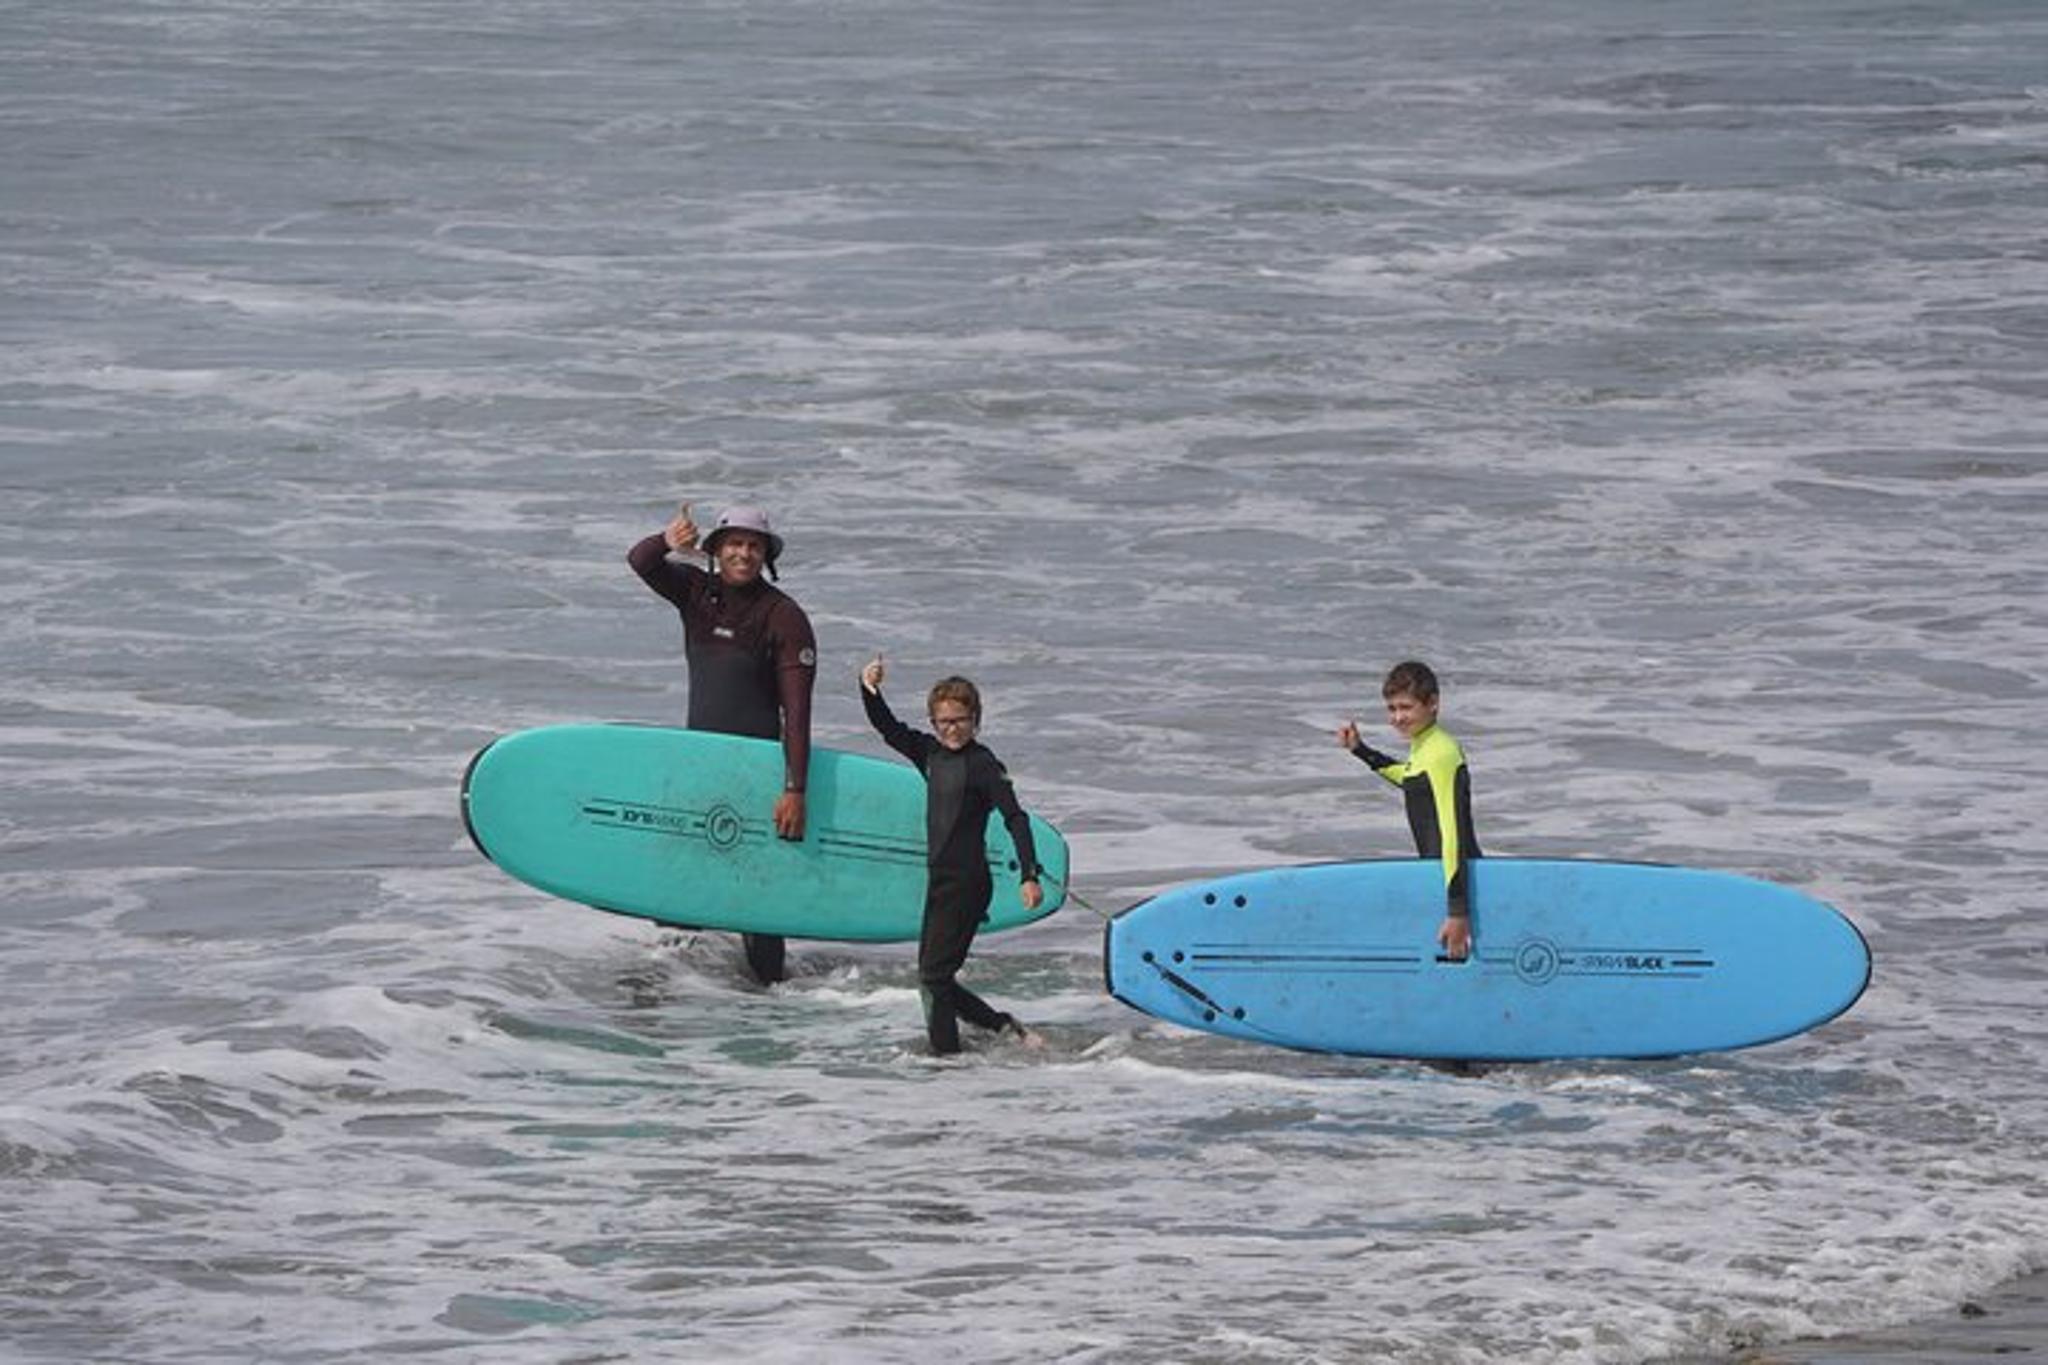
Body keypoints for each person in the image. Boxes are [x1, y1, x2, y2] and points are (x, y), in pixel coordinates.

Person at [629, 502, 816, 984]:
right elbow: (641, 560)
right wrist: (668, 540)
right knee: (681, 885)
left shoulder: (784, 617)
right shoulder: (696, 593)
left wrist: (794, 788)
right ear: (715, 550)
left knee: (756, 893)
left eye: (754, 546)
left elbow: (797, 714)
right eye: (734, 543)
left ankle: (771, 996)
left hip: (757, 773)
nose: (743, 554)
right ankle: (674, 993)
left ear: (766, 555)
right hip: (701, 768)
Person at [859, 656, 1043, 1056]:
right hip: (940, 882)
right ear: (933, 722)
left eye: (959, 720)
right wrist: (869, 688)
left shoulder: (984, 765)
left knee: (934, 977)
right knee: (933, 976)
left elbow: (1016, 818)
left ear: (975, 720)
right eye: (943, 722)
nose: (951, 729)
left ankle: (946, 1060)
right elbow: (888, 729)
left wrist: (1029, 874)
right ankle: (1000, 1027)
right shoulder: (929, 754)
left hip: (968, 884)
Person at [1337, 660, 1482, 962]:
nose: (1397, 717)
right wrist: (1361, 750)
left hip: (1460, 884)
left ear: (1433, 704)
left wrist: (1458, 912)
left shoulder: (1442, 753)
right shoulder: (1424, 747)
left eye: (1406, 707)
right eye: (1391, 709)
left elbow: (1452, 834)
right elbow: (1409, 777)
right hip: (1439, 878)